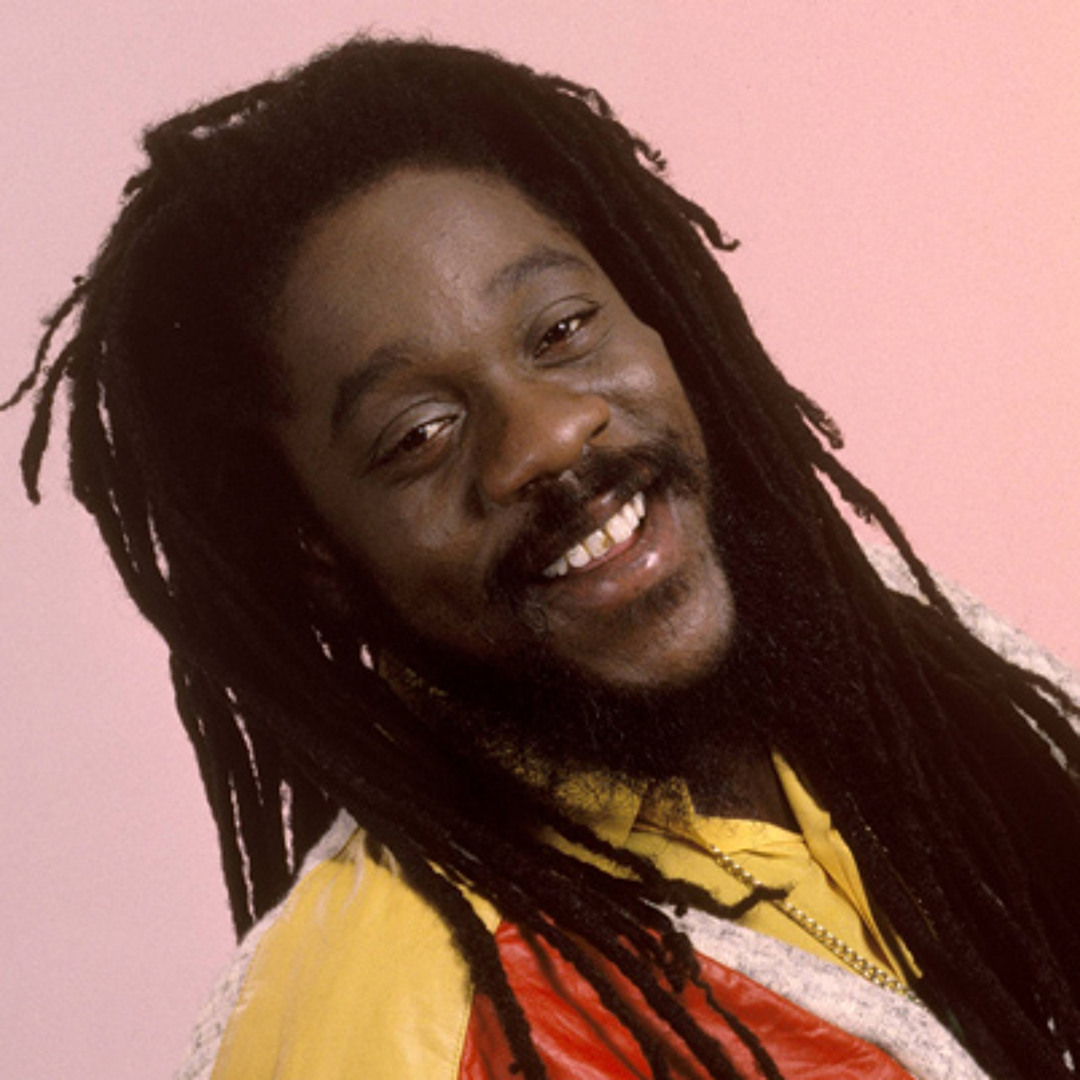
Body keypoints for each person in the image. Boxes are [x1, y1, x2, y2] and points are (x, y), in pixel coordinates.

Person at [5, 36, 1079, 1080]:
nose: (552, 436)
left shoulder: (905, 664)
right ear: (317, 552)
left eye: (561, 329)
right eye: (420, 434)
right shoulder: (408, 1018)